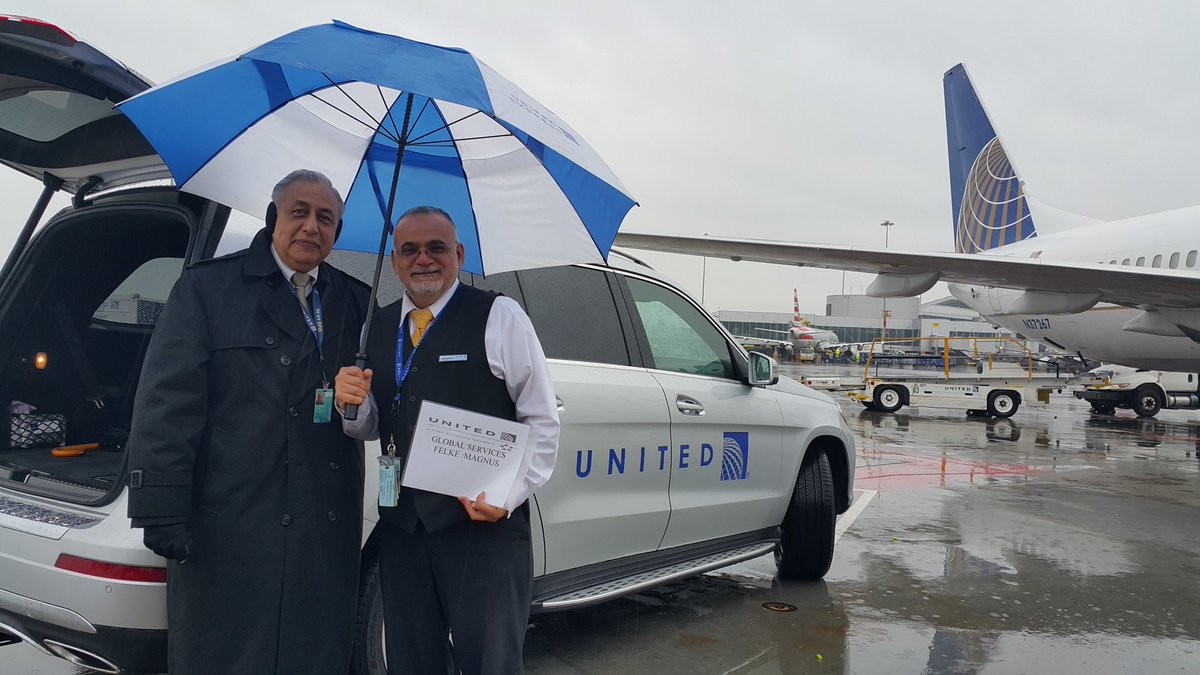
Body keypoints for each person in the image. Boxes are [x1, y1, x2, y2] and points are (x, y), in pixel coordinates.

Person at [125, 170, 369, 674]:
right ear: (272, 217)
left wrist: (360, 401)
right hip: (231, 516)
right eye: (298, 211)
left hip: (321, 524)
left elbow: (379, 410)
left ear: (338, 232)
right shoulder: (208, 288)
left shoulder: (357, 303)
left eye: (326, 218)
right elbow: (167, 404)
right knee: (228, 654)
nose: (311, 227)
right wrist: (161, 508)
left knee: (313, 652)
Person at [334, 205, 560, 675]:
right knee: (412, 659)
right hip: (402, 528)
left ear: (458, 253)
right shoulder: (375, 326)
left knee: (489, 661)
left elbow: (541, 417)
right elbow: (375, 425)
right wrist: (351, 405)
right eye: (409, 250)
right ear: (394, 260)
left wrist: (509, 494)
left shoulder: (498, 316)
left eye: (437, 248)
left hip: (482, 527)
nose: (424, 260)